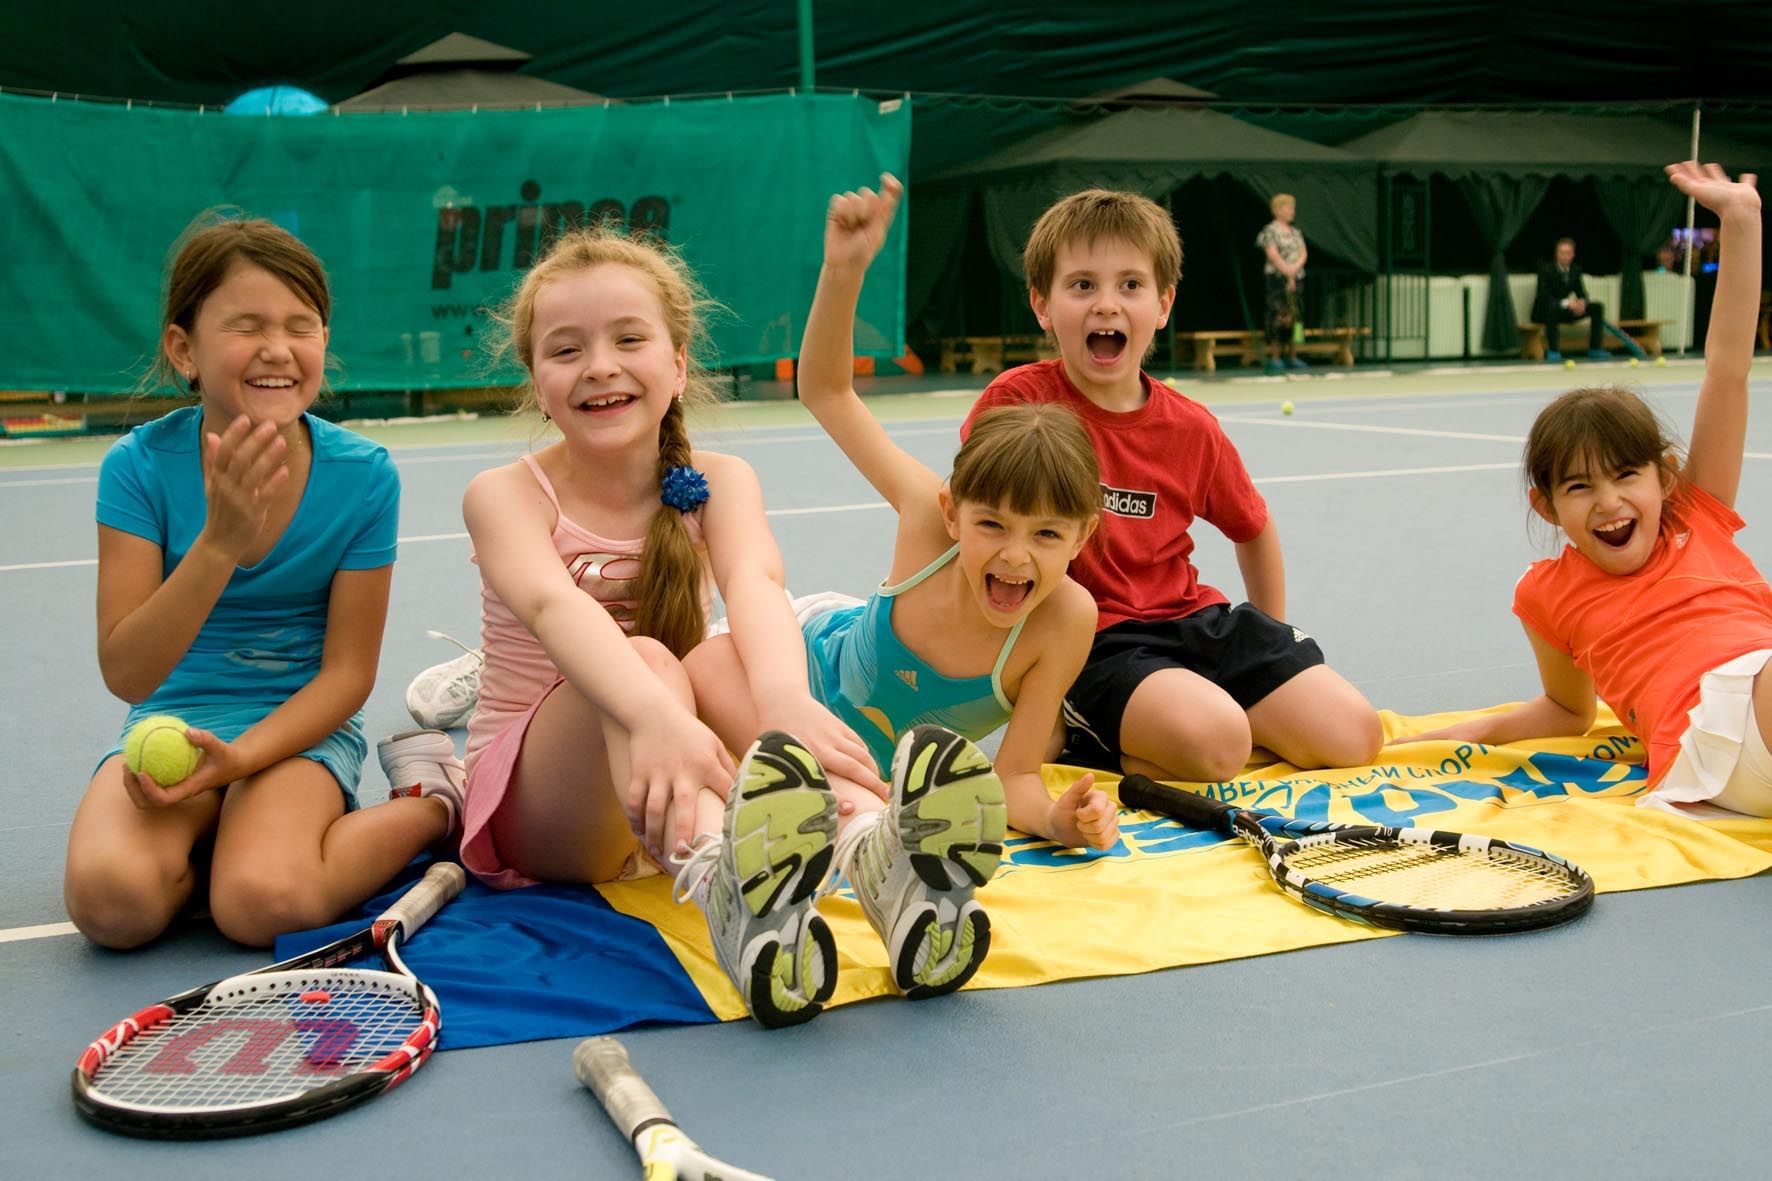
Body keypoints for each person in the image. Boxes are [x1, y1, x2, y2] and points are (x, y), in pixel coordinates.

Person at [397, 221, 1005, 1028]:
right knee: (649, 659)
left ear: (678, 363)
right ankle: (731, 882)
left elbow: (755, 581)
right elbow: (554, 606)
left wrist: (787, 699)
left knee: (724, 661)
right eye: (566, 350)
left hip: (669, 765)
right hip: (542, 811)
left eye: (628, 339)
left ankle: (879, 857)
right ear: (537, 383)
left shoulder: (719, 481)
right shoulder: (503, 495)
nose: (600, 365)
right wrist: (654, 714)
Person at [687, 176, 1115, 993]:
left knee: (791, 781)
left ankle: (858, 826)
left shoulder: (1065, 620)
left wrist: (1059, 818)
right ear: (954, 513)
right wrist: (844, 269)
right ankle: (868, 835)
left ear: (1083, 536)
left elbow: (1017, 776)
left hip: (872, 772)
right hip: (794, 663)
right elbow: (826, 390)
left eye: (1047, 535)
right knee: (700, 671)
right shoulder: (926, 513)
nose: (1016, 556)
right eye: (992, 525)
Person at [63, 217, 457, 950]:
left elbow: (346, 675)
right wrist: (218, 543)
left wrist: (242, 760)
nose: (278, 349)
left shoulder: (364, 476)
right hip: (174, 721)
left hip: (297, 730)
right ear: (184, 348)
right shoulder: (138, 468)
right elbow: (128, 670)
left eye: (301, 326)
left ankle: (434, 802)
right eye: (247, 325)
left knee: (261, 903)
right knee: (111, 904)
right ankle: (219, 831)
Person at [964, 188, 1384, 783]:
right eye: (1082, 285)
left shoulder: (1190, 427)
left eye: (1130, 286)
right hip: (1094, 641)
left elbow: (1253, 528)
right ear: (1041, 303)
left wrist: (1265, 643)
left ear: (1163, 304)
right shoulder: (1017, 403)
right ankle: (1095, 732)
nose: (1106, 304)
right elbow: (973, 527)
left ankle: (1186, 724)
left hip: (1194, 623)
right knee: (1218, 741)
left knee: (1354, 735)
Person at [1402, 162, 1772, 816]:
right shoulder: (1547, 592)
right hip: (1715, 733)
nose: (1609, 501)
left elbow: (1728, 370)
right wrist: (1454, 738)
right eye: (1580, 486)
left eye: (1626, 474)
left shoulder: (1699, 513)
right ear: (1547, 504)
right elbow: (1569, 709)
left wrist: (1741, 223)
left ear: (1662, 474)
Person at [1532, 237, 1610, 361]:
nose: (1564, 256)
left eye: (1568, 253)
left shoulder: (1576, 270)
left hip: (1564, 311)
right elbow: (1544, 297)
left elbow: (1581, 293)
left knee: (1597, 307)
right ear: (1556, 254)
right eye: (1561, 253)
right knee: (1551, 309)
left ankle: (1595, 348)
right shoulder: (1545, 270)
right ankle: (1553, 351)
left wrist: (1582, 303)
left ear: (1573, 255)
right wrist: (1568, 303)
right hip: (1545, 311)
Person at [1256, 193, 1308, 375]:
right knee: (1278, 317)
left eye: (1293, 208)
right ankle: (1276, 358)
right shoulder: (1270, 231)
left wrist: (1294, 272)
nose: (1292, 211)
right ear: (1278, 210)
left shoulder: (1296, 233)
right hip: (1276, 280)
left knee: (1296, 316)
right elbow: (1272, 254)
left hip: (1297, 278)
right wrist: (1287, 272)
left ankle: (1293, 356)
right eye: (1288, 207)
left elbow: (1303, 253)